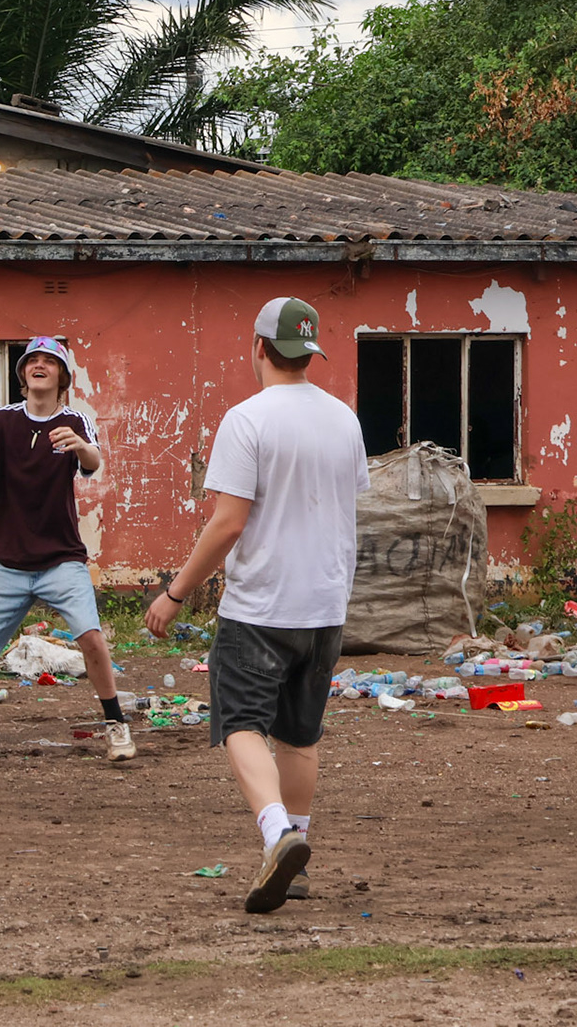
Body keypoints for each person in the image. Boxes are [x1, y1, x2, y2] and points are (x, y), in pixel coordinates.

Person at [145, 297, 368, 914]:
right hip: (325, 604)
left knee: (241, 723)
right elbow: (349, 504)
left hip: (262, 606)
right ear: (310, 352)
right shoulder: (344, 420)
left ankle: (278, 836)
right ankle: (298, 853)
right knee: (300, 734)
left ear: (259, 348)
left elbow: (228, 523)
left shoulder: (247, 420)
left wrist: (175, 593)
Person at [0, 336, 133, 764]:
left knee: (92, 638)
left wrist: (80, 446)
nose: (39, 365)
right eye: (32, 360)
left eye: (49, 361)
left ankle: (116, 725)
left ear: (62, 376)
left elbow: (93, 461)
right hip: (8, 563)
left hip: (61, 560)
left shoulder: (74, 421)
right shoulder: (1, 419)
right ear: (23, 374)